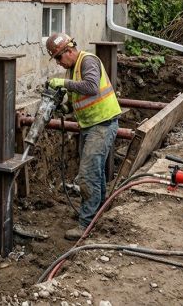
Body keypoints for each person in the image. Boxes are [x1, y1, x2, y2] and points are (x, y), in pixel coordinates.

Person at [44, 33, 121, 240]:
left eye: (59, 58)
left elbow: (91, 87)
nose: (59, 64)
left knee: (87, 175)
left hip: (102, 125)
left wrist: (61, 83)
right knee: (96, 172)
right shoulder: (73, 69)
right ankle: (97, 214)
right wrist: (65, 108)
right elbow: (79, 99)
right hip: (91, 126)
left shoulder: (87, 61)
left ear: (68, 51)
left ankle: (85, 225)